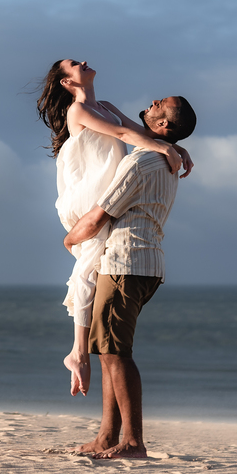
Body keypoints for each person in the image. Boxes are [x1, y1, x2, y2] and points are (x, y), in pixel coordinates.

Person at [37, 60, 192, 398]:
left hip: (109, 192)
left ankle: (77, 354)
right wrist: (167, 146)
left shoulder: (105, 107)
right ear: (66, 82)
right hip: (87, 196)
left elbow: (139, 134)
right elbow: (123, 135)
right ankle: (78, 353)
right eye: (73, 65)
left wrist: (174, 145)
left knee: (90, 268)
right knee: (89, 265)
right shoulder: (78, 110)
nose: (82, 62)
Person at [64, 94, 197, 459]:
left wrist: (69, 239)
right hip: (145, 264)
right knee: (110, 351)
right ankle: (107, 436)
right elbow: (125, 125)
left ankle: (133, 441)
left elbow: (97, 217)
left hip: (125, 262)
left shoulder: (142, 163)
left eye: (161, 104)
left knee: (116, 353)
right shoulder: (164, 158)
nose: (152, 101)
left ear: (164, 126)